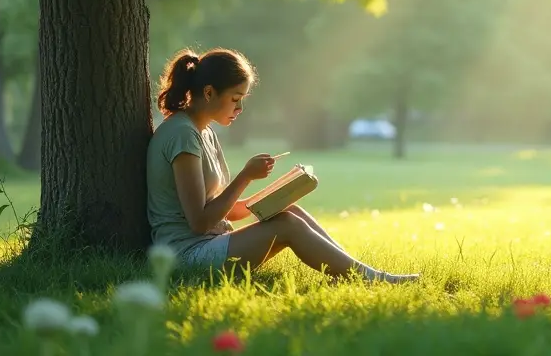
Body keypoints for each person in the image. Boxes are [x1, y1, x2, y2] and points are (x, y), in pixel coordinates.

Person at [146, 47, 419, 284]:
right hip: (186, 255)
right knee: (286, 225)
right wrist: (245, 177)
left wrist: (276, 194)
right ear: (209, 92)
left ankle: (358, 271)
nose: (240, 108)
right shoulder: (182, 135)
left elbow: (222, 211)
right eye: (235, 98)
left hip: (209, 243)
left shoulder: (203, 131)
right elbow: (199, 222)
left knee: (290, 210)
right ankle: (368, 278)